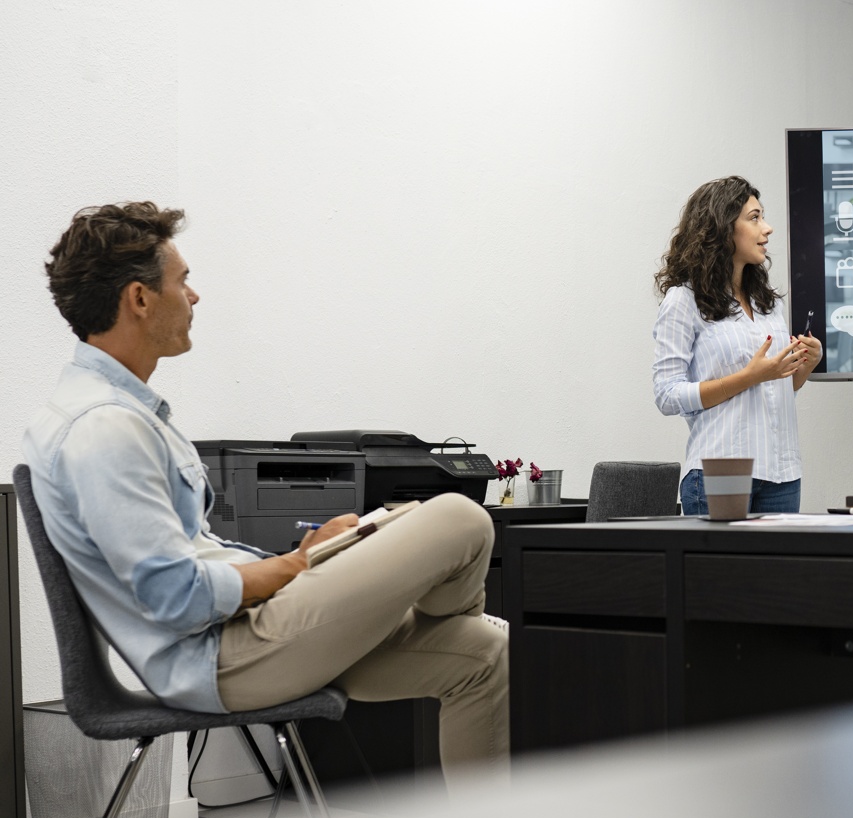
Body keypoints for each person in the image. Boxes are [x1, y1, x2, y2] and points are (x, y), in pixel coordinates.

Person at [22, 203, 509, 781]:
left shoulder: (114, 413)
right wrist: (298, 566)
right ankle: (432, 617)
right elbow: (176, 597)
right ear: (140, 299)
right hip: (225, 659)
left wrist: (310, 559)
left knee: (480, 653)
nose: (194, 296)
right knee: (460, 516)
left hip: (247, 637)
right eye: (183, 281)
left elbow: (188, 562)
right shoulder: (103, 428)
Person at [652, 176, 821, 515]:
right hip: (720, 471)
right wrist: (748, 377)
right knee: (720, 572)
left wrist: (805, 365)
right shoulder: (683, 300)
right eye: (755, 217)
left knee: (777, 570)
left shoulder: (770, 304)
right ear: (722, 227)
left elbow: (778, 388)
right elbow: (667, 395)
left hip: (782, 473)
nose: (768, 228)